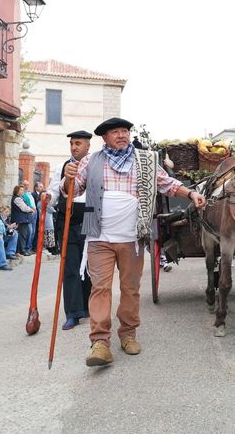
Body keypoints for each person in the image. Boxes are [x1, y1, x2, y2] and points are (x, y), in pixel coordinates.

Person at [62, 117, 207, 367]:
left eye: (125, 131)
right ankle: (99, 342)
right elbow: (71, 191)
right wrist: (68, 177)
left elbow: (168, 184)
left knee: (130, 289)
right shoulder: (91, 160)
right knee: (100, 288)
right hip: (98, 236)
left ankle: (128, 334)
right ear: (104, 137)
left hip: (133, 237)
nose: (121, 135)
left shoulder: (145, 160)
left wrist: (191, 193)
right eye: (115, 132)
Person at [46, 130, 93, 330]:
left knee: (91, 268)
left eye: (79, 143)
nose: (74, 147)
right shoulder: (63, 167)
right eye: (72, 143)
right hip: (68, 221)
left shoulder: (97, 165)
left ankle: (88, 305)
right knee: (70, 267)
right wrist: (47, 197)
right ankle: (73, 313)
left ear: (88, 145)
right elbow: (54, 191)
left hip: (91, 219)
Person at [10, 185, 35, 256]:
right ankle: (21, 250)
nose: (22, 191)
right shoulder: (17, 199)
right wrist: (31, 210)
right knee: (22, 235)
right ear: (17, 191)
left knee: (24, 235)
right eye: (20, 190)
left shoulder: (20, 198)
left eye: (22, 190)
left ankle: (21, 250)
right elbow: (24, 208)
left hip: (23, 219)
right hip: (20, 220)